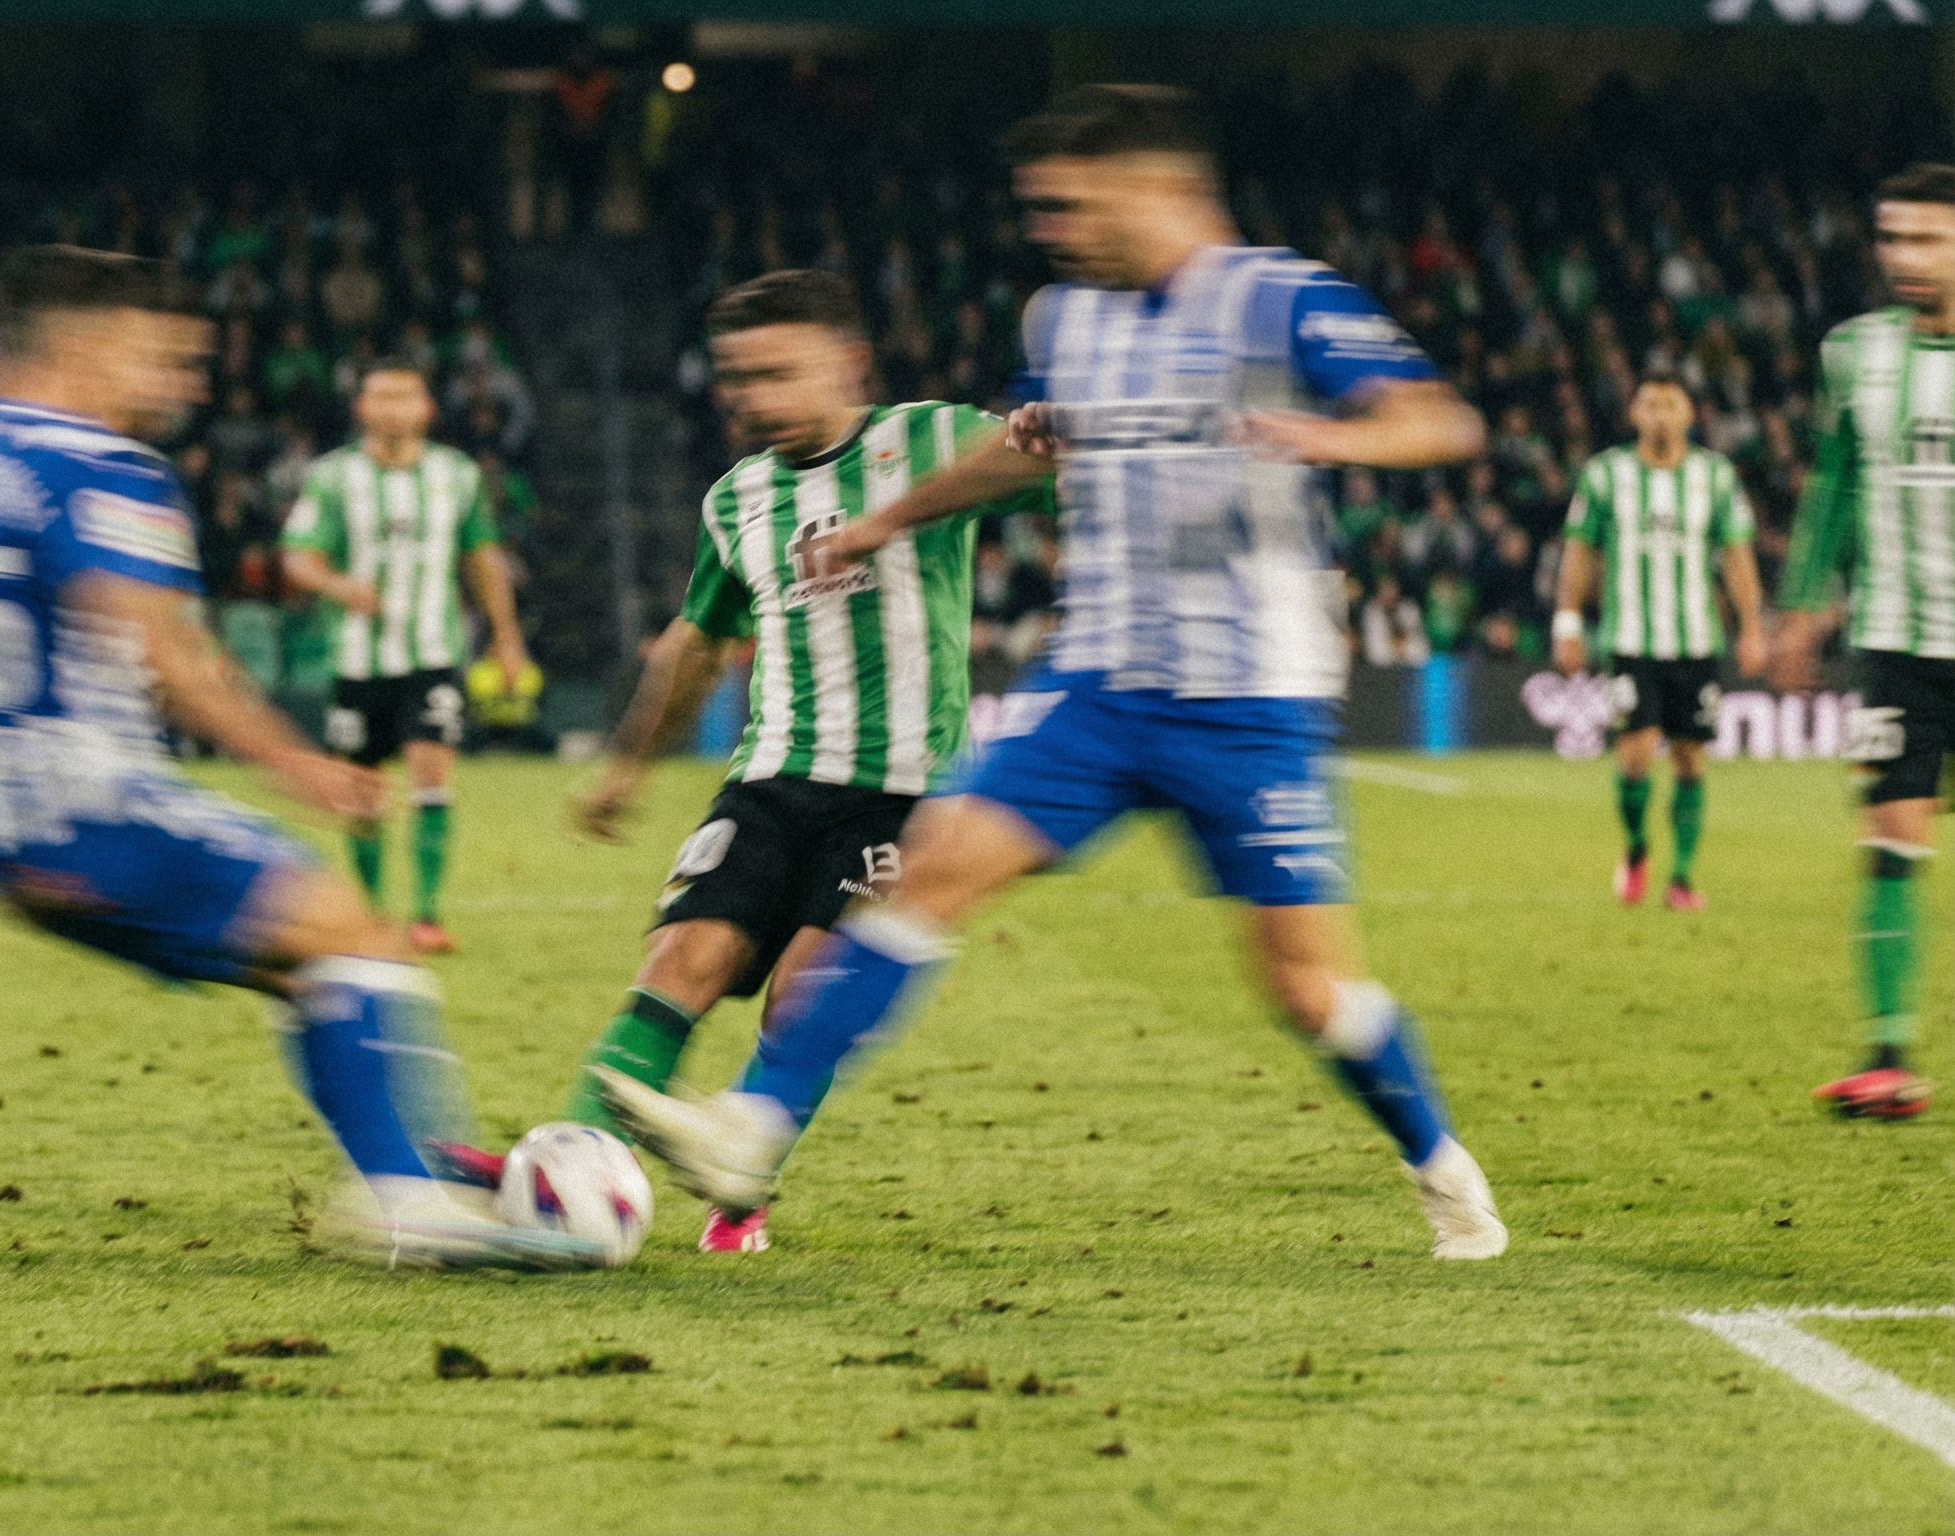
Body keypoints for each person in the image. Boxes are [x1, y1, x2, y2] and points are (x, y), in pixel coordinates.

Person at [594, 85, 1509, 1261]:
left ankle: (1438, 1163)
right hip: (1096, 685)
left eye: (1069, 207)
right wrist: (882, 524)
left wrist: (1337, 437)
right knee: (921, 876)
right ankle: (749, 1133)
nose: (1051, 230)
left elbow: (1439, 421)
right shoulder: (1064, 320)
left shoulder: (1277, 298)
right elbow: (1017, 446)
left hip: (1247, 702)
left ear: (1157, 189)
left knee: (1310, 992)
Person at [0, 245, 594, 1270]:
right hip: (96, 810)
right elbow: (167, 653)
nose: (181, 386)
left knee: (304, 967)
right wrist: (297, 764)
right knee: (358, 940)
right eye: (162, 358)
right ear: (85, 347)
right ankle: (406, 1202)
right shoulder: (99, 464)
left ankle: (429, 1168)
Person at [533, 269, 1023, 1254]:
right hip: (767, 782)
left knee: (805, 992)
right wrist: (626, 766)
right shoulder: (738, 498)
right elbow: (694, 642)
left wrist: (911, 510)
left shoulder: (924, 439)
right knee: (681, 962)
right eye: (738, 378)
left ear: (843, 361)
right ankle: (565, 1164)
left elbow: (1036, 449)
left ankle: (736, 1196)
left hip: (897, 795)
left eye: (776, 372)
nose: (754, 398)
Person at [1771, 162, 1955, 1122]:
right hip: (1897, 642)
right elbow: (1834, 483)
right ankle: (1889, 1059)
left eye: (1926, 238)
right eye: (1891, 238)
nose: (1904, 258)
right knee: (1890, 843)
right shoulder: (1855, 352)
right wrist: (1802, 607)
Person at [281, 362, 528, 955]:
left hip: (432, 653)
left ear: (426, 409)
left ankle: (424, 915)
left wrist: (507, 634)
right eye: (381, 397)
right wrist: (340, 588)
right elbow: (298, 556)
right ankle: (369, 916)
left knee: (431, 774)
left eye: (405, 397)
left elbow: (482, 556)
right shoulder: (333, 477)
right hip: (357, 660)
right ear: (362, 409)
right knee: (364, 796)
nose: (393, 408)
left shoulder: (457, 475)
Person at [1553, 370, 1766, 911]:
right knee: (1635, 754)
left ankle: (1683, 877)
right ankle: (1637, 848)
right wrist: (1568, 623)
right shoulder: (1605, 475)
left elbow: (1737, 555)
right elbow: (1580, 550)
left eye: (1671, 404)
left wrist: (1752, 626)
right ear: (1634, 414)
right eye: (1650, 404)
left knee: (1691, 758)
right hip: (1630, 639)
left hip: (1696, 643)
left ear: (1690, 414)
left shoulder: (1715, 477)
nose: (1660, 414)